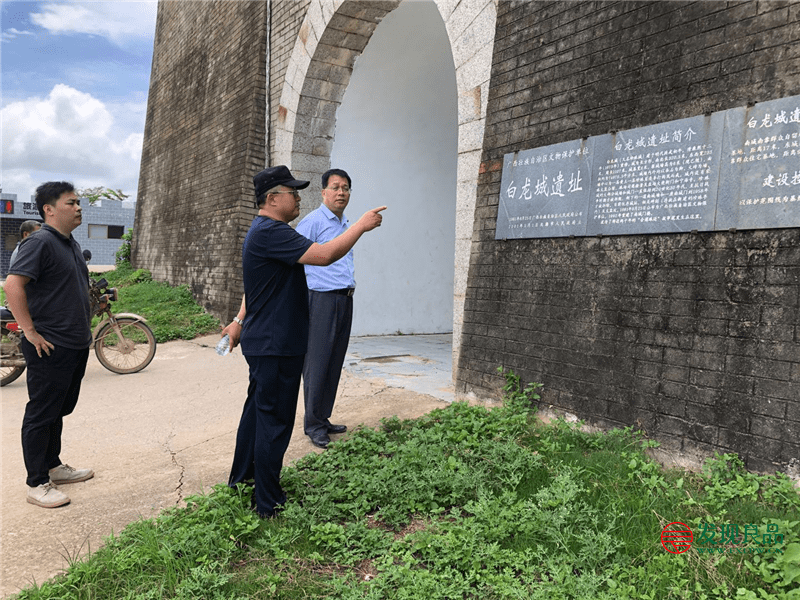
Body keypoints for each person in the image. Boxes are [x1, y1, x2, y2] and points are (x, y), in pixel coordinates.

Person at [220, 165, 385, 518]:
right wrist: (360, 226)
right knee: (274, 423)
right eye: (292, 192)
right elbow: (325, 255)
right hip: (277, 344)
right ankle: (268, 502)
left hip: (268, 341)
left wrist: (238, 320)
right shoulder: (272, 231)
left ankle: (243, 478)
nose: (297, 197)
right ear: (272, 198)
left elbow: (257, 285)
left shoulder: (269, 232)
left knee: (256, 415)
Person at [4, 182, 94, 509]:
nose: (79, 207)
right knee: (42, 412)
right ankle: (37, 482)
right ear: (49, 210)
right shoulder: (40, 242)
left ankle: (53, 466)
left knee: (59, 409)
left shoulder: (68, 243)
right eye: (71, 203)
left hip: (74, 344)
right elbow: (13, 285)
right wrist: (29, 331)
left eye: (79, 202)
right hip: (49, 346)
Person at [295, 168, 356, 449]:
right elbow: (294, 261)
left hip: (344, 298)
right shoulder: (312, 222)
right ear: (323, 192)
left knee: (334, 361)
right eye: (335, 187)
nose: (340, 192)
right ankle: (313, 425)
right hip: (320, 299)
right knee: (318, 362)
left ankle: (323, 417)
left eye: (345, 188)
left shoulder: (345, 224)